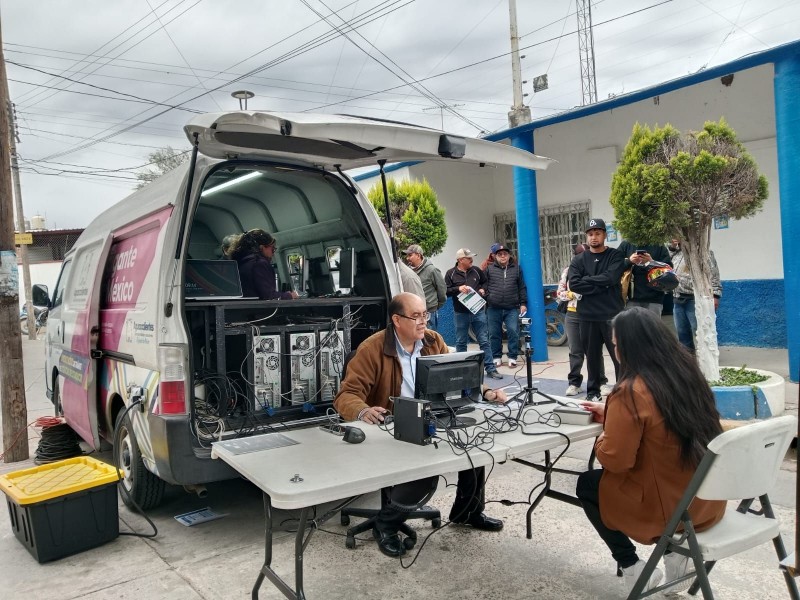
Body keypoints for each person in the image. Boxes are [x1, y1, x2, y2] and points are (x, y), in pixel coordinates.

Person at [333, 293, 507, 558]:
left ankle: (467, 512)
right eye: (416, 316)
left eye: (425, 314)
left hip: (432, 416)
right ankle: (386, 525)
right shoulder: (372, 348)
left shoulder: (433, 340)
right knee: (428, 466)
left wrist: (486, 391)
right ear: (396, 320)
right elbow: (346, 395)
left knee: (474, 447)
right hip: (392, 426)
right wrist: (363, 410)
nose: (423, 321)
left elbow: (458, 373)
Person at [576, 307, 725, 594]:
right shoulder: (687, 375)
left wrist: (605, 433)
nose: (614, 351)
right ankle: (672, 553)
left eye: (616, 345)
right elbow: (660, 423)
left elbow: (615, 461)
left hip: (670, 510)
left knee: (588, 484)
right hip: (706, 500)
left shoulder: (630, 391)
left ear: (630, 348)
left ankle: (632, 566)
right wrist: (614, 415)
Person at [568, 219, 625, 401]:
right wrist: (602, 285)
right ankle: (593, 392)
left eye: (598, 233)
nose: (594, 237)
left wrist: (587, 280)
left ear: (604, 235)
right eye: (590, 234)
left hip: (612, 316)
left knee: (620, 357)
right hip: (587, 316)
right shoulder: (578, 260)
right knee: (592, 358)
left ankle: (623, 392)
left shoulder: (615, 256)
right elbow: (574, 284)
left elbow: (612, 278)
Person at [557, 243, 608, 396]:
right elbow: (560, 293)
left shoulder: (597, 269)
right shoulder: (568, 271)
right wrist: (574, 294)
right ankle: (574, 383)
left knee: (594, 350)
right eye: (580, 255)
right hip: (573, 314)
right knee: (575, 351)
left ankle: (601, 382)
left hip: (592, 313)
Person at [445, 248, 502, 379]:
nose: (472, 260)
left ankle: (491, 369)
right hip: (460, 313)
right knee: (461, 342)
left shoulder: (476, 270)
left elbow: (485, 282)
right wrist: (458, 288)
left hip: (478, 311)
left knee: (484, 341)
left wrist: (483, 289)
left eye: (472, 257)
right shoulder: (450, 273)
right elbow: (446, 291)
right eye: (468, 258)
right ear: (460, 260)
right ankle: (462, 371)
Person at [669, 239, 722, 353]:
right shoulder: (676, 252)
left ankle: (707, 356)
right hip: (678, 298)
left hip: (695, 298)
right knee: (682, 332)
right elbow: (667, 264)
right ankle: (688, 357)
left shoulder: (703, 252)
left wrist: (715, 295)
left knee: (700, 330)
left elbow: (714, 274)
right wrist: (672, 247)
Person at [485, 243, 527, 368]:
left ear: (509, 255)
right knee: (494, 333)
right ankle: (496, 357)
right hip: (493, 307)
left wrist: (523, 303)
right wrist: (488, 297)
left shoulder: (516, 269)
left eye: (505, 254)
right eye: (500, 254)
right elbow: (484, 286)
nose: (503, 256)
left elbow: (522, 287)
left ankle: (512, 357)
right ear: (495, 256)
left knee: (513, 332)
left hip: (511, 307)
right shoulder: (489, 269)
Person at [229, 229, 297, 300]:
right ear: (262, 248)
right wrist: (289, 295)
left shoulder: (239, 262)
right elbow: (268, 296)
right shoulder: (259, 264)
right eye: (272, 249)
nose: (273, 253)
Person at [616, 240, 672, 315]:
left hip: (654, 298)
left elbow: (668, 270)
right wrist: (629, 261)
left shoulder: (658, 244)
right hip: (630, 298)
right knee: (631, 323)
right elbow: (615, 267)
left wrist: (651, 262)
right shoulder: (626, 244)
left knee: (652, 323)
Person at [403, 244, 446, 331]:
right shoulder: (407, 271)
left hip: (429, 312)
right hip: (411, 312)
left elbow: (442, 290)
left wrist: (434, 306)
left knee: (428, 337)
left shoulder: (432, 270)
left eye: (410, 255)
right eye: (407, 255)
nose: (407, 258)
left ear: (418, 255)